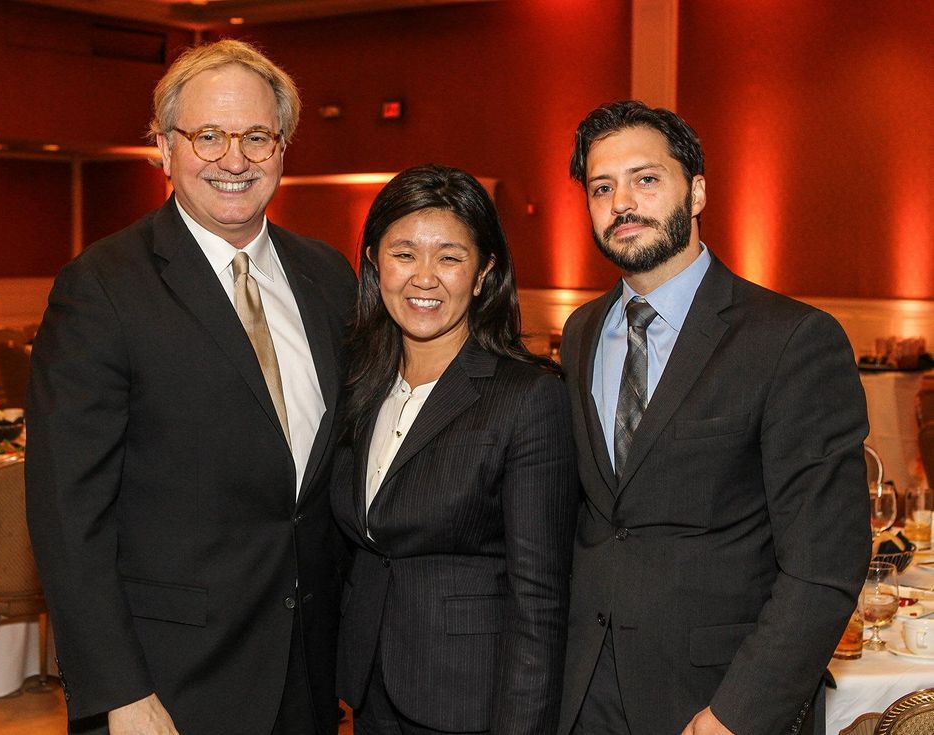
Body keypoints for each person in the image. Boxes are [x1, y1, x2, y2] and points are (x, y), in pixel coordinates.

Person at [25, 40, 356, 735]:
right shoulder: (101, 287)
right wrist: (119, 690)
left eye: (256, 136)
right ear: (164, 147)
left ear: (282, 149)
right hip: (170, 682)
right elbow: (67, 512)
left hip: (308, 672)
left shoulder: (329, 277)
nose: (234, 159)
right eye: (208, 135)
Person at [556, 101, 871, 735]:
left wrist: (738, 714)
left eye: (646, 179)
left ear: (697, 192)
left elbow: (824, 565)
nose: (622, 203)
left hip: (716, 697)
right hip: (587, 690)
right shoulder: (581, 331)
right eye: (602, 187)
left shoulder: (791, 340)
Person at [331, 164, 579, 734]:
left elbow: (539, 599)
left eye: (449, 257)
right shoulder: (358, 383)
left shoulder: (527, 397)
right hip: (369, 694)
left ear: (484, 272)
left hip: (471, 704)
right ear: (373, 262)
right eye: (404, 254)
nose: (424, 278)